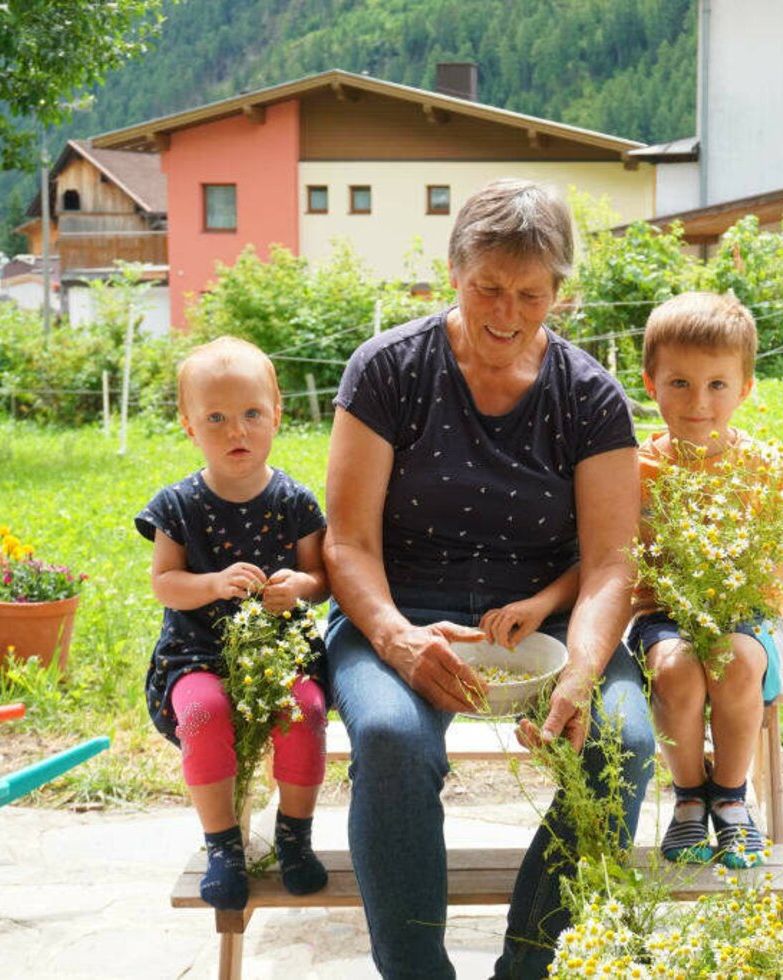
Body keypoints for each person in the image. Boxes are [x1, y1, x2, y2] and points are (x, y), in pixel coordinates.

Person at [323, 178, 654, 979]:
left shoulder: (589, 396)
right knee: (391, 738)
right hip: (400, 610)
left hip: (539, 623)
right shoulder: (388, 370)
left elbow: (612, 559)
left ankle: (530, 965)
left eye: (531, 295)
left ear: (559, 293)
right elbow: (348, 542)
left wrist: (578, 672)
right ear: (454, 273)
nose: (507, 313)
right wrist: (397, 640)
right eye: (488, 289)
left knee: (624, 743)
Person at [135, 336, 330, 911]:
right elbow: (164, 582)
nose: (235, 431)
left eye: (250, 414)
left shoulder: (295, 500)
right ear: (189, 426)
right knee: (203, 711)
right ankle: (223, 845)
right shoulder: (178, 505)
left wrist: (300, 587)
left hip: (280, 653)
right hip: (196, 653)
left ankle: (295, 836)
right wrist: (214, 583)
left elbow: (320, 576)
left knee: (306, 711)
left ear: (277, 415)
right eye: (215, 418)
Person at [628, 291, 783, 869]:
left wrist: (739, 566)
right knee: (679, 668)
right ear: (650, 383)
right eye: (679, 383)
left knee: (734, 660)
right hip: (662, 614)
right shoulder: (637, 466)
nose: (698, 402)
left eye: (717, 385)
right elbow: (619, 559)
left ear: (746, 389)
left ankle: (731, 798)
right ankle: (688, 797)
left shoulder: (762, 464)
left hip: (746, 612)